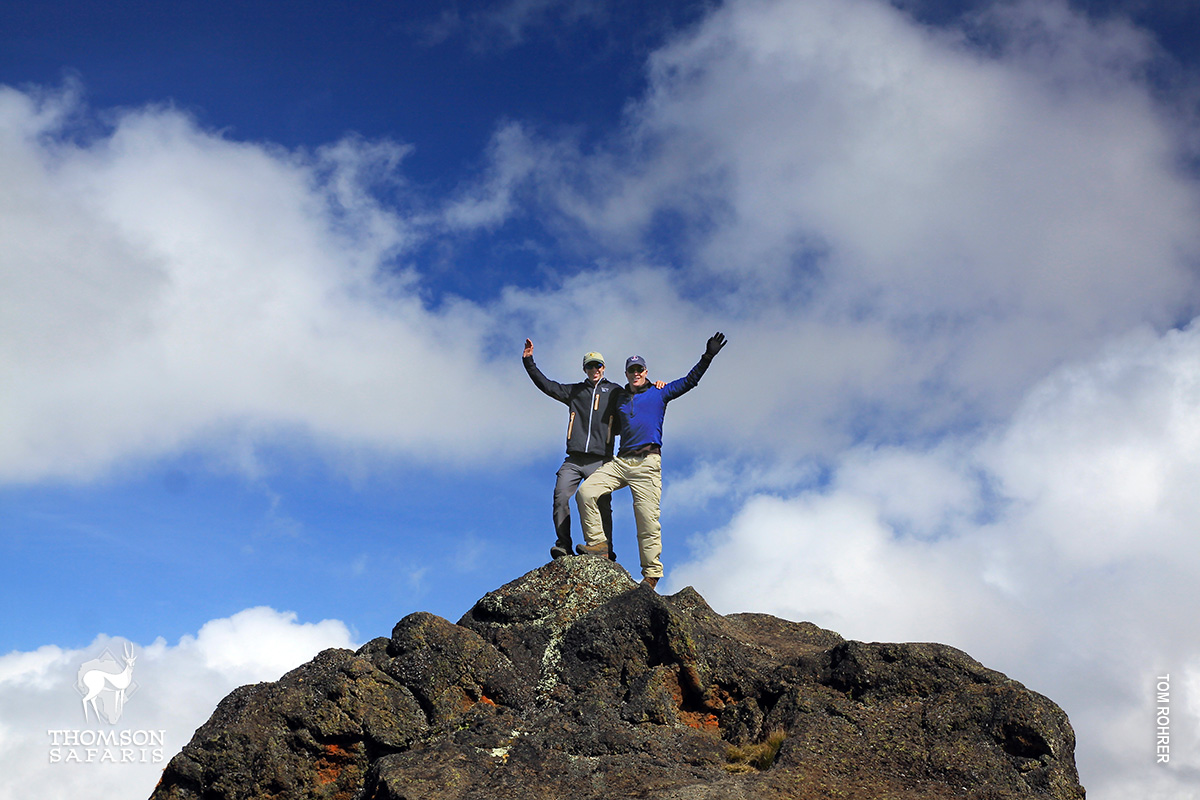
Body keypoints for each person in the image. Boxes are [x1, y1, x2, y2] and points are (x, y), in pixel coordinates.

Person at [575, 332, 727, 589]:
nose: (635, 373)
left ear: (645, 371)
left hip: (647, 464)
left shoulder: (660, 393)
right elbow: (597, 407)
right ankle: (599, 545)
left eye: (639, 369)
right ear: (626, 374)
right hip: (621, 462)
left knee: (646, 520)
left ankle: (651, 574)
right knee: (585, 492)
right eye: (631, 370)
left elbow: (690, 381)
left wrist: (708, 355)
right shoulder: (620, 398)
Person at [523, 338, 621, 561]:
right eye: (589, 366)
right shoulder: (575, 391)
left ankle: (605, 549)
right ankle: (563, 545)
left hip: (601, 460)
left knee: (602, 504)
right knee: (560, 497)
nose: (594, 369)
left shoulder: (615, 391)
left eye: (597, 365)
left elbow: (635, 399)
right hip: (574, 460)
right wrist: (529, 361)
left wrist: (656, 385)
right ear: (584, 369)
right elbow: (547, 386)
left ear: (603, 368)